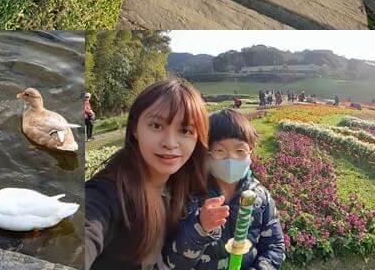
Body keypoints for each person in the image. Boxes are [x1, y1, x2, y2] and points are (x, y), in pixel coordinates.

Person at [85, 78, 214, 270]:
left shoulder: (187, 188)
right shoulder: (107, 194)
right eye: (156, 126)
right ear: (135, 128)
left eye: (185, 130)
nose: (170, 143)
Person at [163, 109, 286, 270]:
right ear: (206, 153)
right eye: (220, 151)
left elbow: (274, 245)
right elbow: (172, 263)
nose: (231, 158)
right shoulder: (188, 197)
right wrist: (200, 227)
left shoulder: (260, 197)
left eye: (240, 151)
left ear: (251, 152)